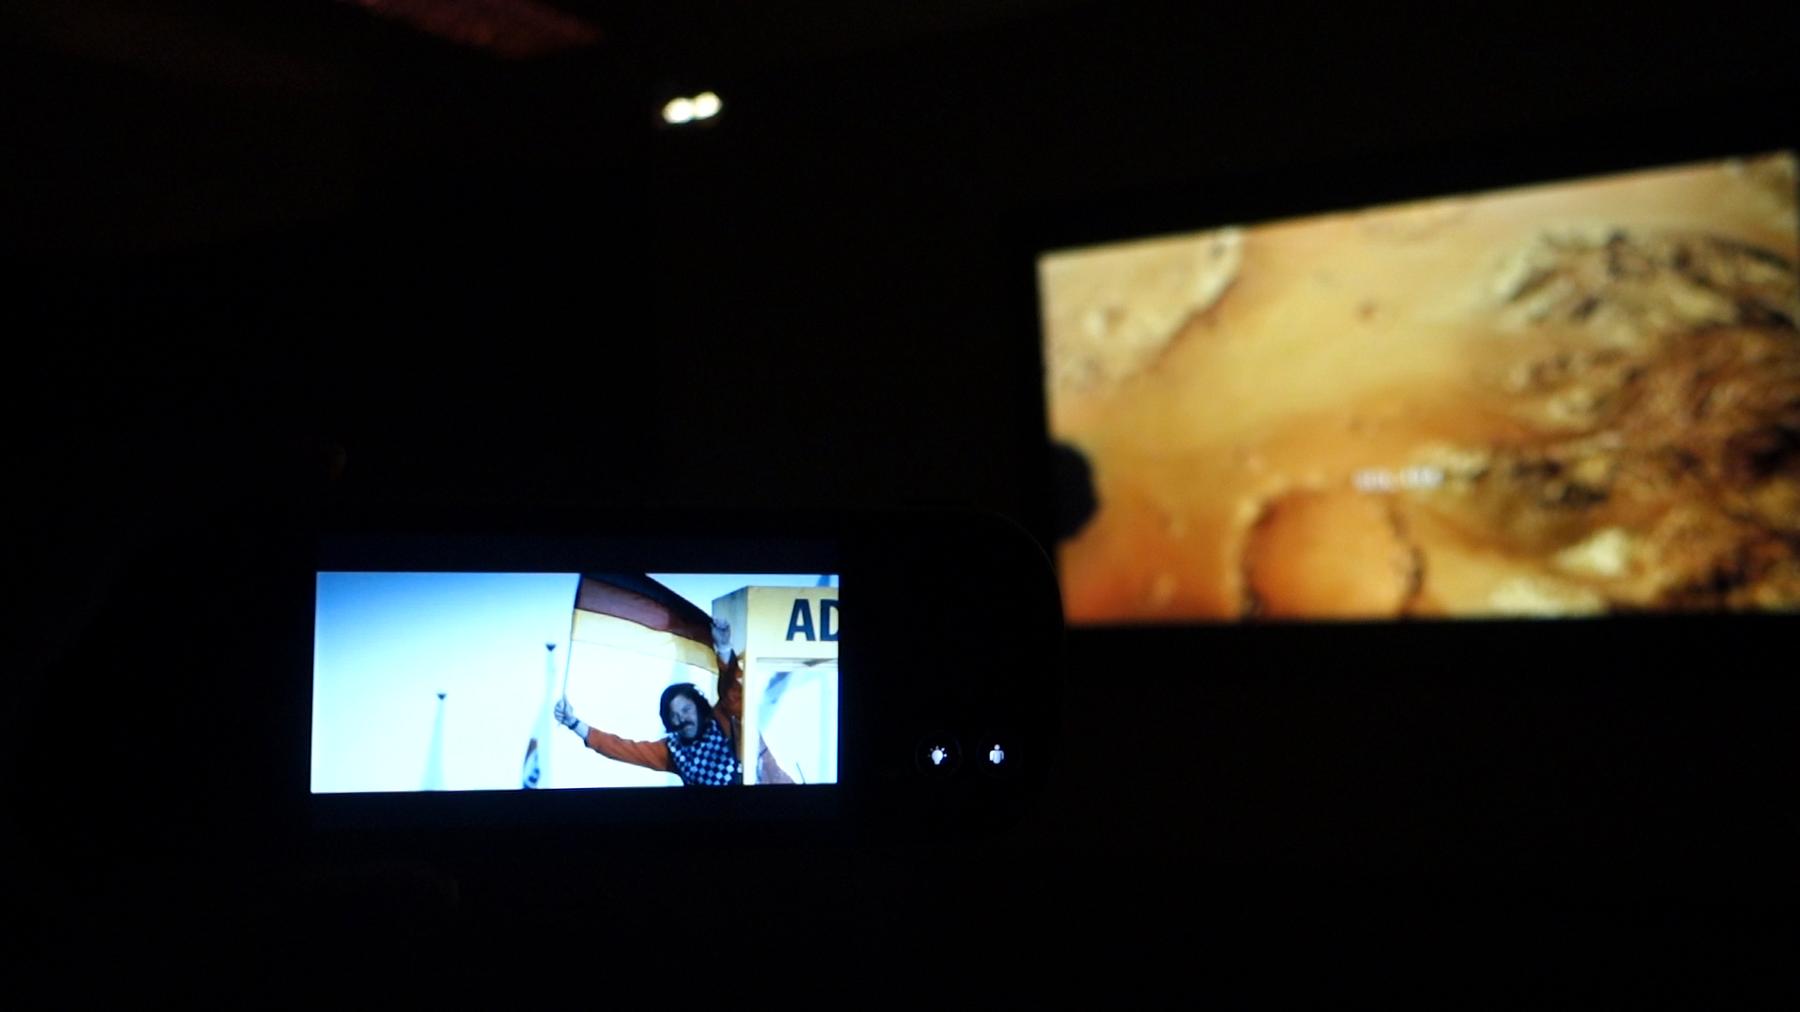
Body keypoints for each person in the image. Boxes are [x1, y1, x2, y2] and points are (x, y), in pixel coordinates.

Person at [554, 619, 796, 786]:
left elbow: (731, 690)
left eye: (686, 709)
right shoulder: (673, 750)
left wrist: (723, 648)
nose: (683, 719)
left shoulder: (723, 717)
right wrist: (574, 723)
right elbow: (620, 748)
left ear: (699, 708)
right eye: (675, 716)